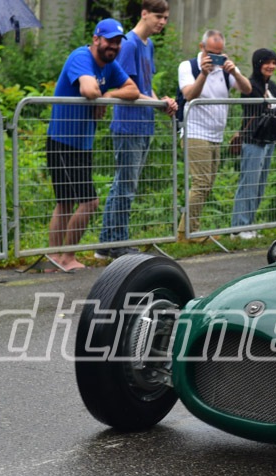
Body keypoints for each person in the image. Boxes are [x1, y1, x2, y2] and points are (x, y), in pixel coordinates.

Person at [45, 19, 139, 272]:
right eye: (109, 41)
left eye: (118, 42)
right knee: (87, 202)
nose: (114, 46)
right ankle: (64, 257)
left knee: (66, 202)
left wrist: (108, 95)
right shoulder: (81, 57)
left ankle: (55, 259)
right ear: (96, 39)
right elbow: (88, 89)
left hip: (82, 144)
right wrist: (98, 95)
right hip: (62, 141)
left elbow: (132, 90)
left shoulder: (110, 65)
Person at [99, 0, 178, 259]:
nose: (162, 22)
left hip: (145, 123)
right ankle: (116, 242)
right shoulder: (130, 44)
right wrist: (156, 103)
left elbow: (146, 86)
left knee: (125, 184)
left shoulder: (148, 44)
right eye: (158, 16)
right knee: (125, 185)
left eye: (165, 18)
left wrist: (160, 103)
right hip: (128, 124)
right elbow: (126, 87)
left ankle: (108, 242)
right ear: (144, 14)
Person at [177, 29, 251, 241]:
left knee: (207, 185)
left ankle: (190, 231)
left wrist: (234, 72)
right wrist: (203, 73)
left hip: (216, 135)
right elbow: (189, 95)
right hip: (195, 131)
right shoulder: (188, 66)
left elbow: (247, 89)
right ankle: (187, 234)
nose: (216, 58)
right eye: (211, 53)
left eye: (219, 53)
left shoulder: (225, 69)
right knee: (201, 183)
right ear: (202, 48)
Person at [229, 48, 276, 237]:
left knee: (260, 185)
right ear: (258, 64)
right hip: (253, 140)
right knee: (249, 183)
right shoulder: (250, 85)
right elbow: (253, 102)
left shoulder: (273, 87)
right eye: (266, 62)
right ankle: (239, 228)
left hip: (269, 140)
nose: (271, 66)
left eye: (274, 62)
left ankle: (249, 225)